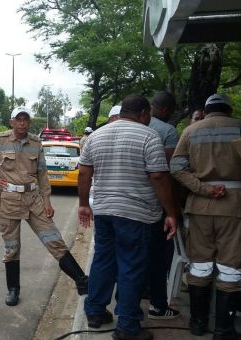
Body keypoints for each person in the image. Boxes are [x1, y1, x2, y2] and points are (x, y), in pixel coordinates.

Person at [78, 94, 177, 340]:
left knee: (103, 260)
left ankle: (95, 311)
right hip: (137, 213)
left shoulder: (96, 135)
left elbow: (84, 173)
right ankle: (128, 327)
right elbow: (158, 177)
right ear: (144, 113)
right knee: (131, 267)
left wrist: (83, 205)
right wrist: (171, 212)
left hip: (104, 211)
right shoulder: (148, 136)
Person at [0, 106, 88, 307]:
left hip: (33, 200)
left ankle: (82, 281)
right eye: (19, 119)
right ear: (12, 122)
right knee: (12, 248)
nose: (22, 123)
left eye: (26, 119)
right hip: (8, 202)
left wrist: (48, 201)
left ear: (29, 122)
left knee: (54, 241)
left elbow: (42, 174)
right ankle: (13, 289)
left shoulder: (36, 142)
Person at [171, 93, 241, 339]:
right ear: (229, 111)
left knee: (199, 264)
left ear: (207, 110)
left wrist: (204, 188)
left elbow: (176, 167)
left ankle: (197, 324)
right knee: (230, 266)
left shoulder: (192, 131)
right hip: (235, 208)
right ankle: (223, 329)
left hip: (200, 206)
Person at [146, 91, 180, 320]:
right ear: (166, 110)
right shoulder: (168, 131)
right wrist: (172, 210)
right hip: (157, 203)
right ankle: (157, 305)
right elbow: (167, 171)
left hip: (128, 203)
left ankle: (130, 297)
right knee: (160, 255)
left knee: (132, 253)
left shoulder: (122, 127)